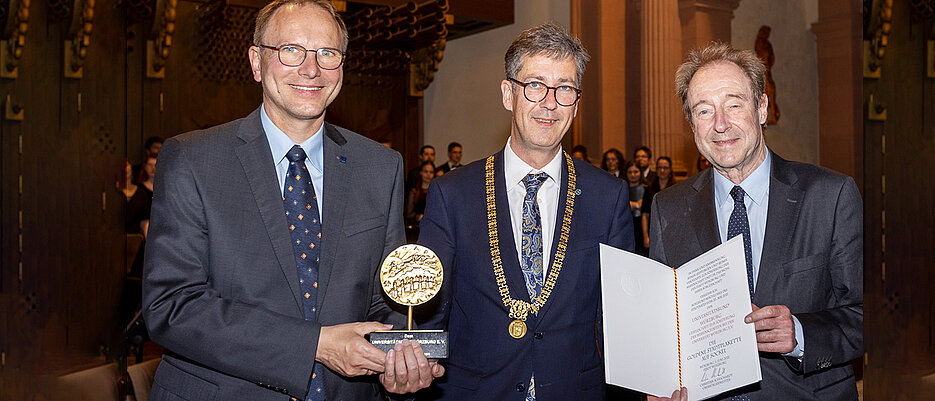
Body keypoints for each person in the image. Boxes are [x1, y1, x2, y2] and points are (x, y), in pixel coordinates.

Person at [142, 1, 442, 400]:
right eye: (291, 50)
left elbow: (382, 298)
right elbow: (172, 306)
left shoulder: (380, 166)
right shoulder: (195, 160)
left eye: (327, 53)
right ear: (256, 61)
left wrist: (397, 362)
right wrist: (315, 344)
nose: (311, 69)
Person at [418, 23, 634, 400]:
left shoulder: (608, 196)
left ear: (577, 103)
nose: (549, 103)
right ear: (508, 93)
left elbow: (622, 320)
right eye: (534, 85)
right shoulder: (452, 195)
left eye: (565, 88)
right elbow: (430, 318)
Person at [647, 42, 862, 401]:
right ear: (691, 124)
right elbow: (664, 327)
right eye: (704, 111)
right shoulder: (668, 207)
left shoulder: (831, 196)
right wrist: (660, 382)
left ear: (761, 108)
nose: (720, 124)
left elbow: (866, 316)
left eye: (734, 105)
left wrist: (800, 334)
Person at [404, 161, 435, 241]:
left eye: (431, 172)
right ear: (420, 173)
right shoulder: (414, 191)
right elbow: (408, 213)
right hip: (417, 229)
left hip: (434, 228)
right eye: (426, 171)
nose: (428, 174)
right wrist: (418, 217)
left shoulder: (437, 192)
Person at [623, 161, 647, 256]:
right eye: (630, 172)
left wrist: (632, 205)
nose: (633, 175)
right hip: (626, 225)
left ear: (640, 173)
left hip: (641, 227)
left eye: (636, 172)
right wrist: (636, 205)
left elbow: (645, 210)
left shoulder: (646, 188)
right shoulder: (621, 188)